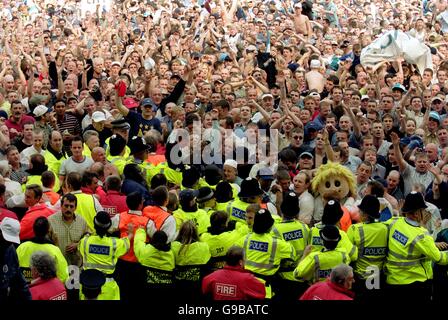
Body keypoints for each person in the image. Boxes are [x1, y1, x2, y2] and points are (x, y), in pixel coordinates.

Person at [384, 191, 448, 301]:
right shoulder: (421, 235)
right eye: (423, 210)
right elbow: (440, 258)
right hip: (415, 285)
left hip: (392, 281)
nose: (425, 212)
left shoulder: (394, 222)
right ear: (417, 213)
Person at [237, 208, 296, 298]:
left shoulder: (245, 239)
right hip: (264, 288)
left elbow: (233, 251)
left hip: (245, 284)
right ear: (270, 226)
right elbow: (292, 254)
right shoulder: (277, 243)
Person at [78, 211, 131, 300]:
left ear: (94, 225)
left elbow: (81, 248)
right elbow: (125, 243)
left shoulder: (85, 241)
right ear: (108, 227)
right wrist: (130, 234)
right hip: (108, 287)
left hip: (88, 286)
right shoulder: (114, 243)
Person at [347, 195, 388, 300]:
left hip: (360, 278)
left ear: (365, 214)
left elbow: (349, 254)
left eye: (360, 211)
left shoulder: (354, 229)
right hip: (378, 278)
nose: (358, 213)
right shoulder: (385, 228)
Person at [272, 192, 310, 300]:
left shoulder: (274, 229)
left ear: (282, 209)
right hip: (301, 277)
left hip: (283, 279)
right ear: (297, 211)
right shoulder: (304, 228)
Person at [16, 217, 68, 284]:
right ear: (48, 230)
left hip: (25, 289)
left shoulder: (22, 247)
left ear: (34, 229)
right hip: (46, 291)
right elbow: (63, 275)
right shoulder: (54, 249)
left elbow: (13, 268)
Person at [0, 217, 31, 301]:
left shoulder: (11, 249)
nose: (9, 243)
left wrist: (28, 297)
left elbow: (19, 278)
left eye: (11, 240)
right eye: (6, 239)